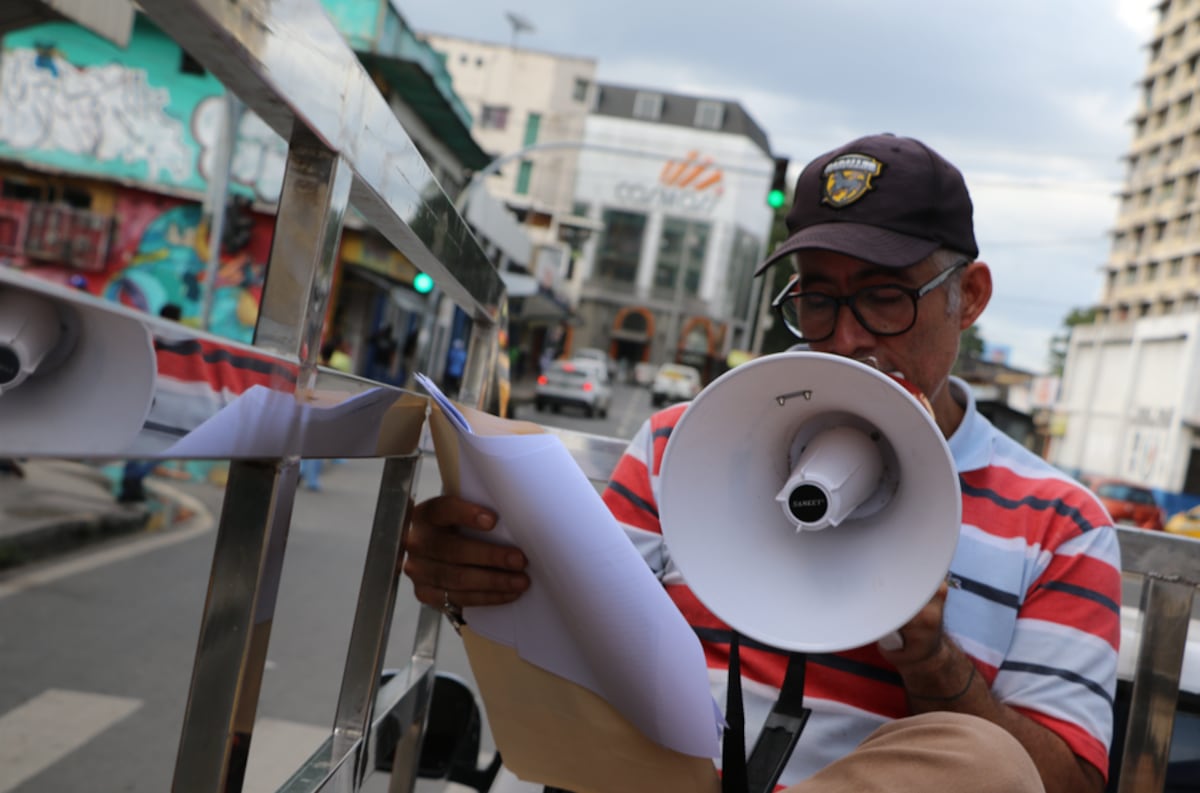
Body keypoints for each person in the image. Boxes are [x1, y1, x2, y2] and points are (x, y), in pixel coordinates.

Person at [401, 134, 1121, 793]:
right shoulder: (680, 445)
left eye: (882, 297)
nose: (844, 337)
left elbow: (1063, 784)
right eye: (816, 298)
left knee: (980, 762)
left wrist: (933, 663)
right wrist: (481, 569)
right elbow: (574, 647)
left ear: (969, 297)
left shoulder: (1058, 521)